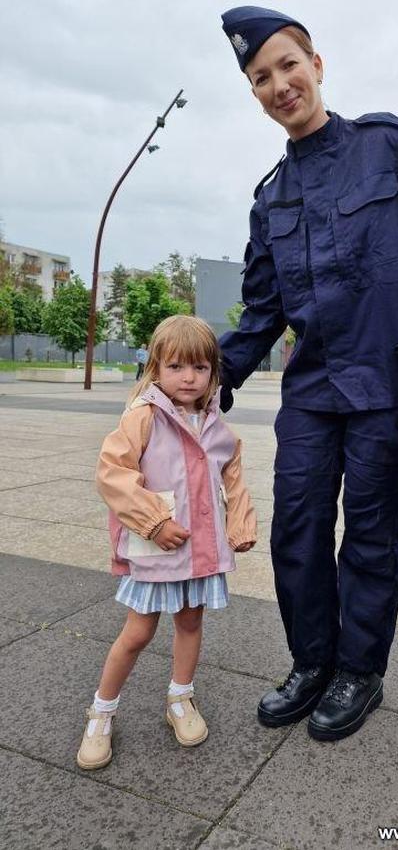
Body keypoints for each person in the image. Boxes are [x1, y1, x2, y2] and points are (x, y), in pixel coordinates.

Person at [218, 6, 398, 740]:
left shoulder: (384, 147)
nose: (279, 84)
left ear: (316, 65)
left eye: (288, 65)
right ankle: (311, 660)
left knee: (371, 533)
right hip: (314, 390)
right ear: (255, 94)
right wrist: (202, 376)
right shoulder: (270, 198)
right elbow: (261, 312)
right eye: (261, 78)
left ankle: (360, 668)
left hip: (388, 384)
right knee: (295, 524)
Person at [76, 316, 257, 770]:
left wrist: (240, 524)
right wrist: (153, 522)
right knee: (137, 632)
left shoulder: (218, 427)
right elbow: (112, 475)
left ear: (213, 372)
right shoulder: (142, 417)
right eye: (176, 366)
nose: (188, 377)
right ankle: (101, 711)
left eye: (199, 367)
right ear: (155, 367)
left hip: (198, 554)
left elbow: (233, 479)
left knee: (190, 623)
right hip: (157, 552)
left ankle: (180, 697)